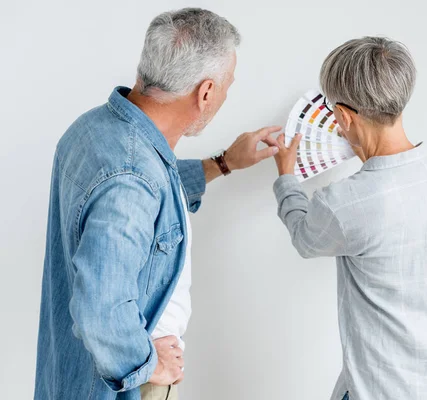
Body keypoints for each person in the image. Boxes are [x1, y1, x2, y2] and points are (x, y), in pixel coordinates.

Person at [34, 8, 280, 400]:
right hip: (129, 385)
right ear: (206, 93)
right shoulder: (131, 178)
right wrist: (149, 364)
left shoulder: (95, 130)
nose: (225, 94)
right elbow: (101, 311)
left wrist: (223, 163)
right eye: (227, 84)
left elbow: (147, 197)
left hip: (70, 374)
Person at [273, 37, 427, 400]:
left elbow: (305, 239)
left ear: (345, 117)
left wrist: (286, 178)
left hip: (381, 390)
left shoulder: (346, 201)